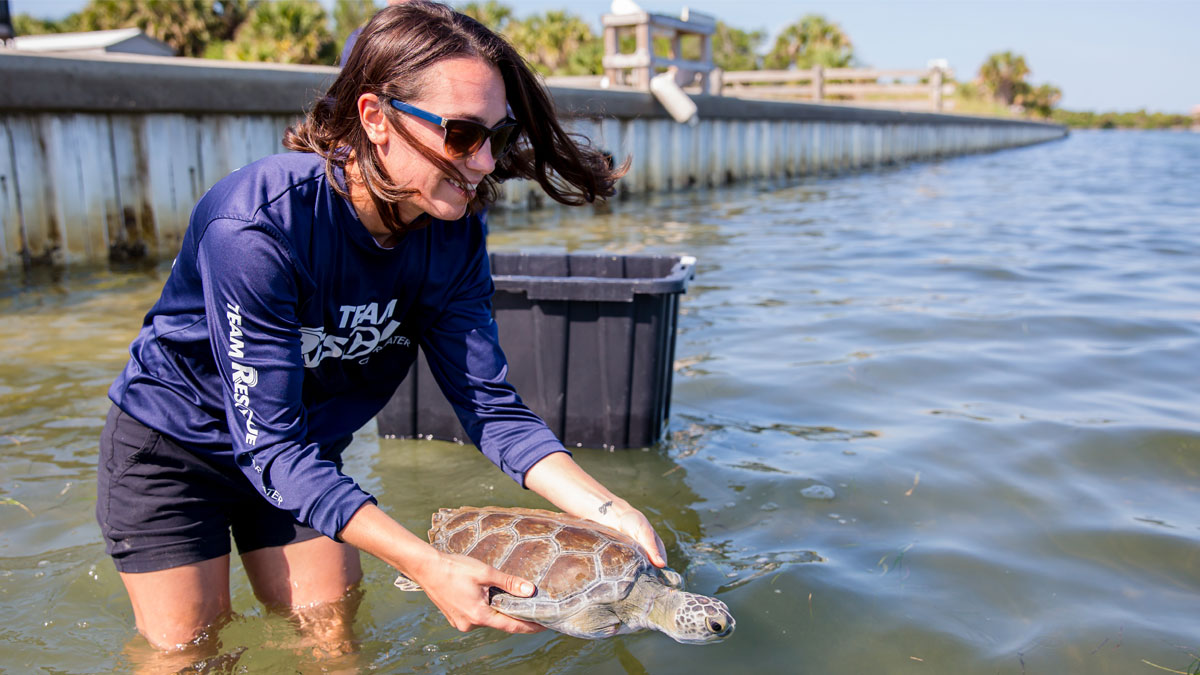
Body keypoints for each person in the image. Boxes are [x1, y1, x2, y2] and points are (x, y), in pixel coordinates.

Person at [96, 1, 662, 657]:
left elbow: (491, 408)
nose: (482, 164)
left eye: (499, 138)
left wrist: (609, 511)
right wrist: (427, 563)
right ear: (375, 118)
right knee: (191, 652)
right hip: (178, 450)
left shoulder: (452, 231)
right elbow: (269, 448)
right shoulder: (257, 227)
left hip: (305, 448)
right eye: (461, 134)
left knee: (336, 644)